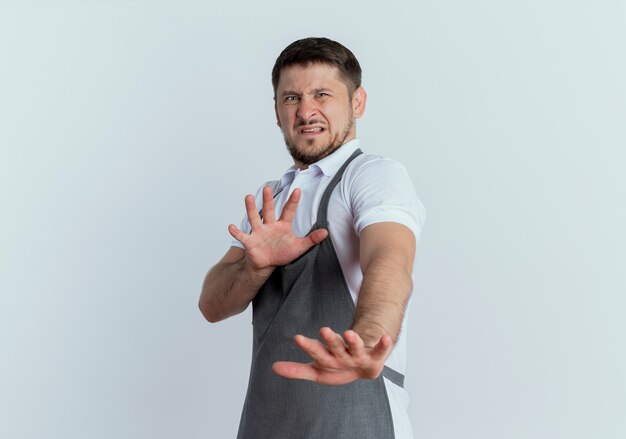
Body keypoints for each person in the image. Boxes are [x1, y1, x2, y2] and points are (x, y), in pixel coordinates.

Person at [199, 37, 425, 439]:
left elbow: (390, 261)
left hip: (352, 419)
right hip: (266, 421)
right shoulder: (272, 199)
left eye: (322, 94)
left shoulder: (371, 175)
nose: (306, 111)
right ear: (276, 111)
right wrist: (256, 267)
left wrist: (366, 343)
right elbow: (212, 305)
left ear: (357, 103)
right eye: (291, 98)